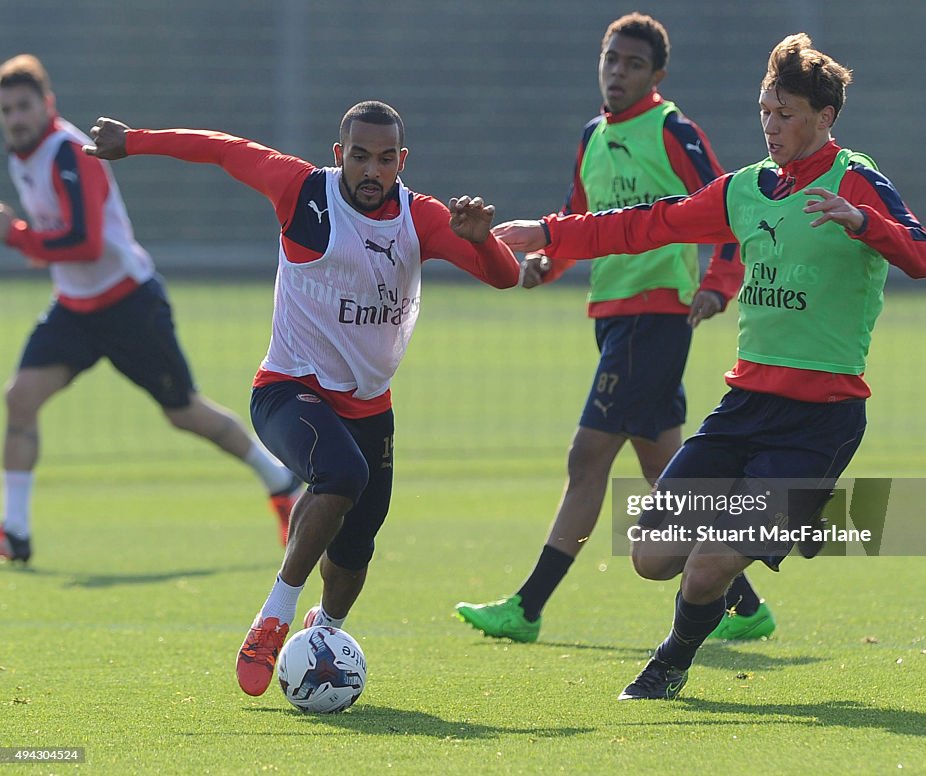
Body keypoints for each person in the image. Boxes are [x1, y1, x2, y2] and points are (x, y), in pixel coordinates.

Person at [493, 33, 926, 699]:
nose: (771, 126)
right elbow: (649, 223)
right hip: (743, 410)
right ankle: (795, 513)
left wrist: (862, 222)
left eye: (786, 114)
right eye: (765, 110)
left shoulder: (856, 179)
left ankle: (670, 662)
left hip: (819, 419)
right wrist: (554, 234)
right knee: (650, 556)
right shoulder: (746, 190)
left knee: (705, 571)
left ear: (825, 118)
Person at [85, 100, 521, 696]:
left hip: (370, 406)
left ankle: (325, 631)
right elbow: (221, 147)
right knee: (341, 474)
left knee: (356, 550)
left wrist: (483, 242)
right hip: (288, 389)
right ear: (339, 155)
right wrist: (134, 141)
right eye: (360, 157)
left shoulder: (421, 218)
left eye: (386, 158)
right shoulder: (301, 191)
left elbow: (504, 277)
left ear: (402, 160)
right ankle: (273, 618)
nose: (372, 170)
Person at [455, 12, 774, 644]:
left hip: (655, 319)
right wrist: (545, 268)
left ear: (656, 75)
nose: (617, 73)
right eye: (610, 60)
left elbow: (727, 209)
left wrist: (717, 285)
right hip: (613, 318)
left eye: (632, 64)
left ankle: (528, 606)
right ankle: (745, 606)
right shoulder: (591, 137)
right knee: (664, 472)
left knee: (587, 458)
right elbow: (579, 221)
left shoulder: (672, 129)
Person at [0, 54, 302, 564]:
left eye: (23, 107)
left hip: (128, 304)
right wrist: (37, 246)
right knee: (20, 399)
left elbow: (86, 241)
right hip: (74, 309)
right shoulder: (20, 158)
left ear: (47, 105)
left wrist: (20, 237)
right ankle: (16, 532)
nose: (15, 119)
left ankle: (280, 479)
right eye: (6, 111)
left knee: (184, 412)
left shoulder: (69, 151)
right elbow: (65, 243)